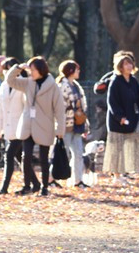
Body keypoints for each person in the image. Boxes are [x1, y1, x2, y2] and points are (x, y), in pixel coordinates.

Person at [5, 56, 65, 197]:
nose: (31, 72)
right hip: (28, 125)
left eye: (33, 69)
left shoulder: (53, 86)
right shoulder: (28, 83)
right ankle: (27, 186)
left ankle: (44, 187)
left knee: (44, 159)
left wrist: (60, 129)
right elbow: (10, 80)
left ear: (40, 70)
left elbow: (59, 109)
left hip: (45, 125)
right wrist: (18, 67)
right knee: (26, 156)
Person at [103, 51, 139, 185]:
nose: (129, 66)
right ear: (120, 67)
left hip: (132, 119)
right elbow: (112, 102)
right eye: (126, 64)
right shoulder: (115, 81)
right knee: (117, 149)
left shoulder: (133, 81)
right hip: (117, 121)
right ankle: (117, 176)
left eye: (130, 63)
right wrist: (119, 116)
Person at [0, 57, 26, 194]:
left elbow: (27, 107)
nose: (6, 71)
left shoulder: (24, 84)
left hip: (20, 127)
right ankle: (35, 183)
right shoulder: (3, 86)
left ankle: (4, 187)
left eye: (8, 68)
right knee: (19, 158)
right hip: (8, 128)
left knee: (9, 155)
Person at [57, 60, 90, 188]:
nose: (79, 72)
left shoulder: (76, 86)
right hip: (66, 124)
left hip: (78, 124)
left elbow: (82, 105)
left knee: (78, 153)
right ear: (71, 71)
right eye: (77, 70)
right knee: (61, 153)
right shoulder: (62, 86)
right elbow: (59, 106)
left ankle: (78, 180)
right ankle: (51, 178)